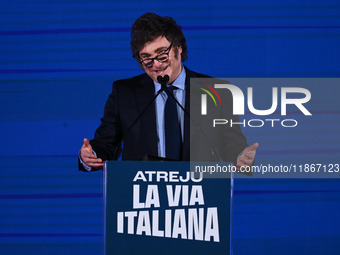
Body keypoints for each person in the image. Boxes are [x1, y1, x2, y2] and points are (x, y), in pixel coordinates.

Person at [79, 12, 258, 171]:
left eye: (162, 53)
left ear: (179, 47)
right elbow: (105, 144)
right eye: (146, 58)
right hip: (142, 199)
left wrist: (240, 157)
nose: (156, 64)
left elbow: (231, 145)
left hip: (200, 197)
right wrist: (91, 155)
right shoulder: (124, 93)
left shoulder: (216, 91)